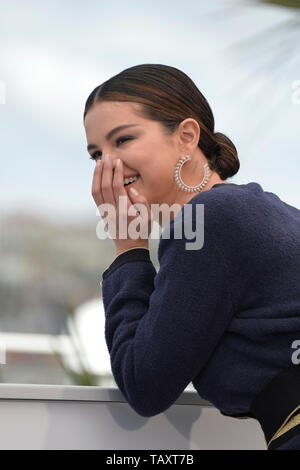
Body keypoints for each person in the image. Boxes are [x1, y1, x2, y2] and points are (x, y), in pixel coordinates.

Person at [83, 64, 300, 450]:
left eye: (124, 140)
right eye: (96, 154)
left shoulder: (208, 221)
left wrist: (128, 248)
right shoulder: (264, 210)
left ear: (186, 136)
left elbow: (145, 384)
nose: (108, 165)